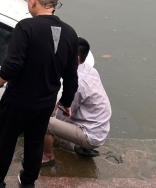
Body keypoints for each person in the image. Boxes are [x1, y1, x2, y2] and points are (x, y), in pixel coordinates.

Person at [0, 0, 79, 188]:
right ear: (55, 3)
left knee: (6, 138)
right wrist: (66, 101)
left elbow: (13, 65)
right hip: (46, 101)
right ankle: (28, 185)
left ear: (32, 0)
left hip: (19, 99)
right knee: (35, 141)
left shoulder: (26, 27)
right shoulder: (70, 33)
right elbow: (71, 75)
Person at [41, 37, 111, 166]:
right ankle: (86, 149)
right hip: (100, 128)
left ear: (76, 58)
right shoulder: (90, 70)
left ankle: (47, 156)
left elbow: (65, 113)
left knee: (44, 122)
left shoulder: (77, 82)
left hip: (90, 135)